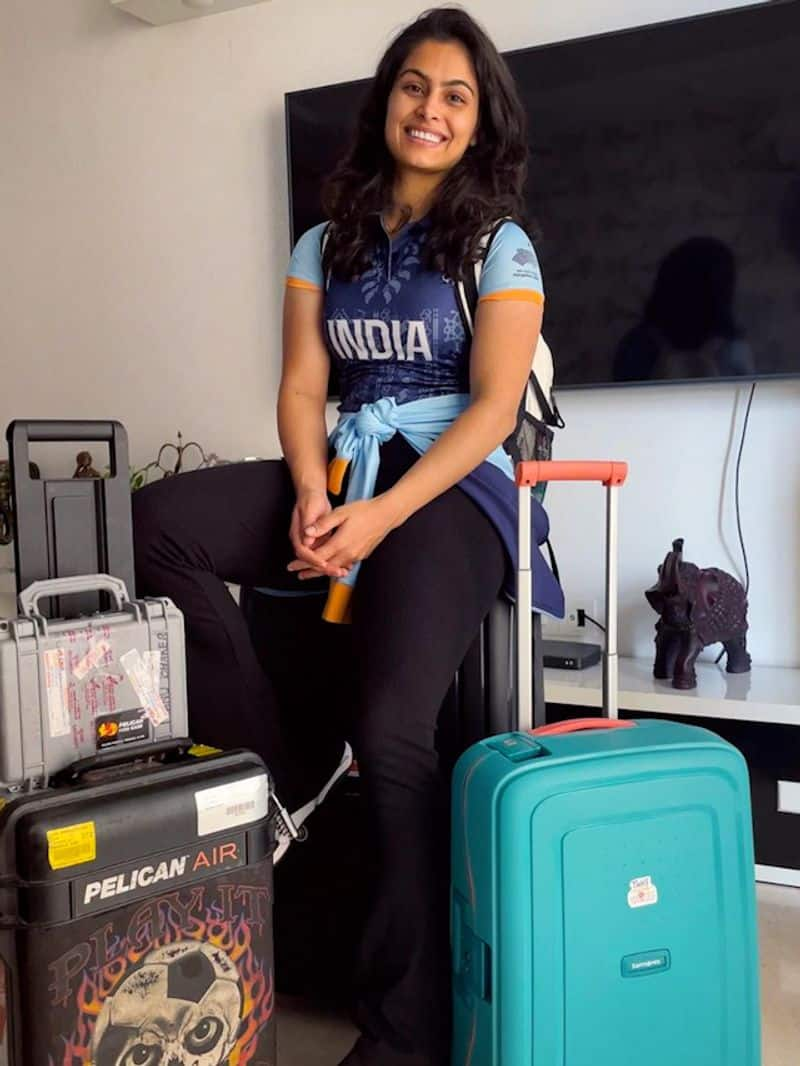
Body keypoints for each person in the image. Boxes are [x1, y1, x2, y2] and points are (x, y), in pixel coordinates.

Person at [133, 8, 561, 1064]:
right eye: (415, 86)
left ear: (478, 123)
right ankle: (266, 768)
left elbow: (492, 410)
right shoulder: (324, 241)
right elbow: (300, 383)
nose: (430, 108)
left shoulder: (498, 245)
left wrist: (376, 513)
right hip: (341, 468)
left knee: (390, 729)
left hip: (452, 492)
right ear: (386, 105)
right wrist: (310, 493)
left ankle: (405, 1025)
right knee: (157, 527)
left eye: (455, 95)